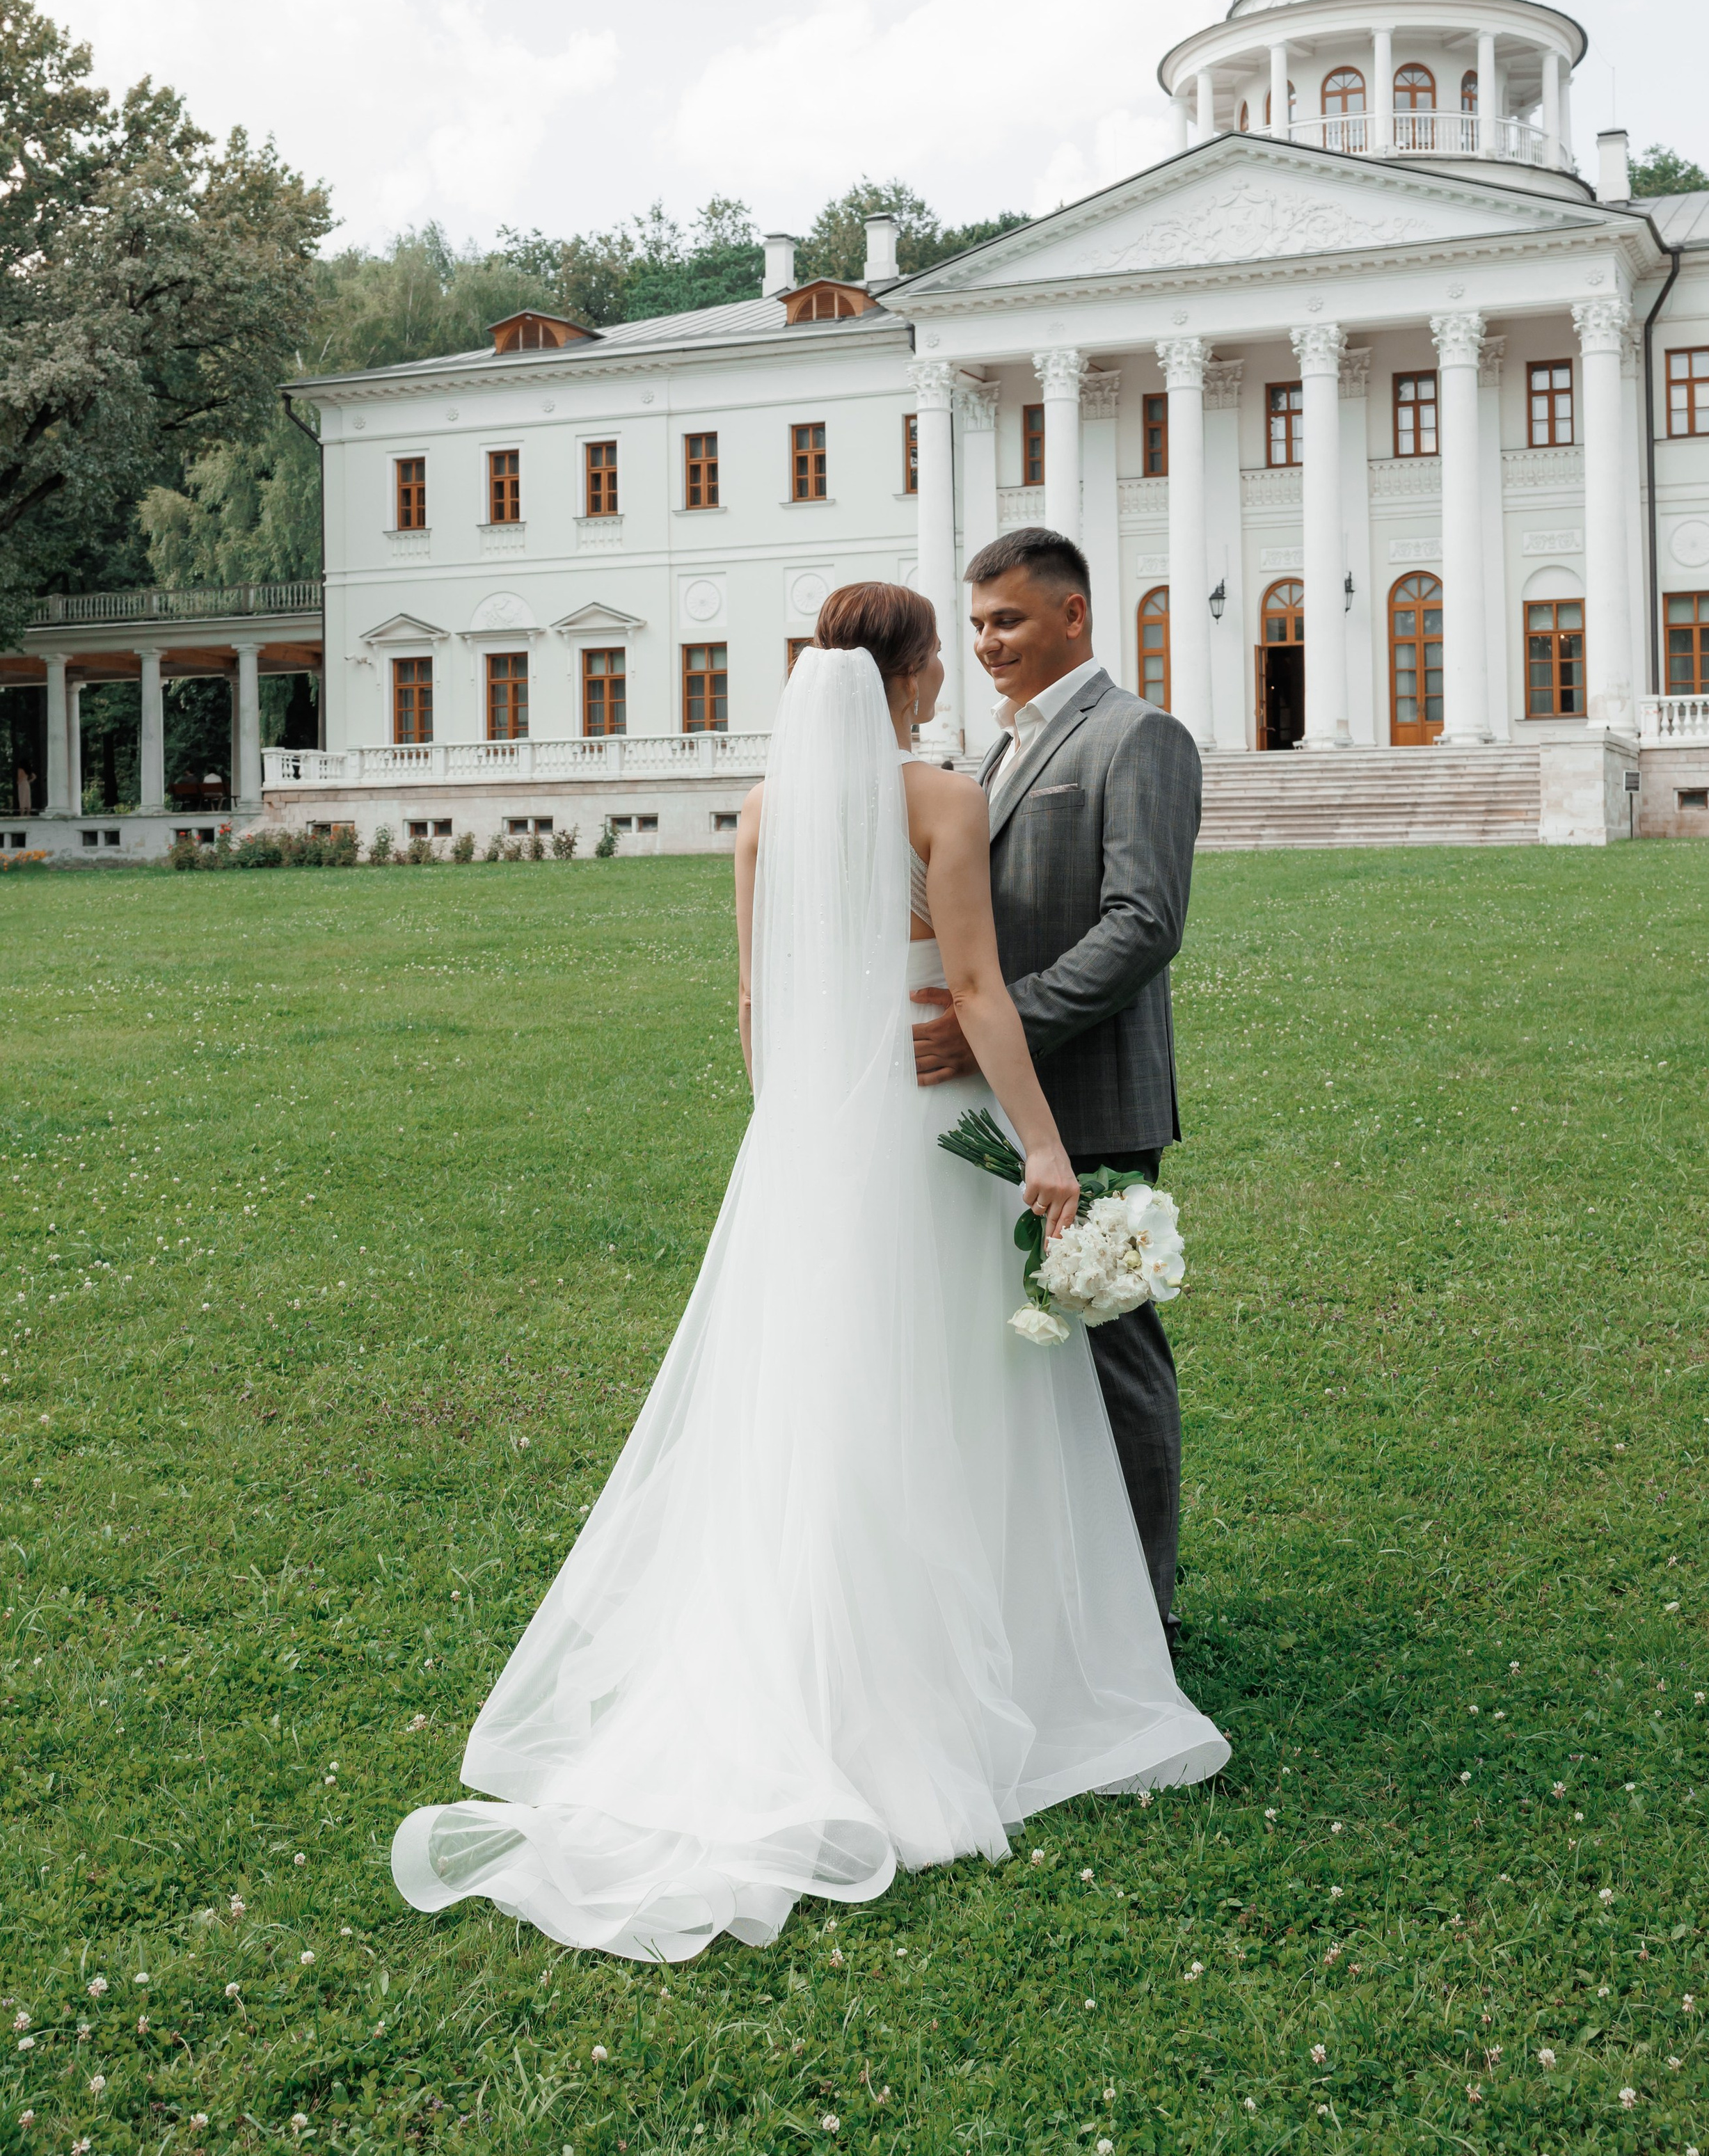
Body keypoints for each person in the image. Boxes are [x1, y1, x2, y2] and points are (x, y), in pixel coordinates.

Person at [393, 582, 1226, 1961]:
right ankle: (968, 1656)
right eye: (935, 658)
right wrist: (1043, 1145)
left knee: (820, 1389)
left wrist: (794, 1132)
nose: (947, 675)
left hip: (811, 1132)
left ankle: (819, 1645)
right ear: (907, 677)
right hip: (923, 1127)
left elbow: (750, 1001)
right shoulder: (941, 799)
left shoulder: (763, 810)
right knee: (951, 1378)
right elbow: (974, 994)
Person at [912, 527, 1200, 1631]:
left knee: (1115, 1353)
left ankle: (1143, 1614)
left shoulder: (1139, 736)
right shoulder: (995, 753)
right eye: (977, 624)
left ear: (1073, 615)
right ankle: (1054, 1593)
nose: (987, 643)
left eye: (1009, 620)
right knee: (1025, 1358)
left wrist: (999, 1029)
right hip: (1004, 1108)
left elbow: (1143, 924)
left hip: (1094, 1097)